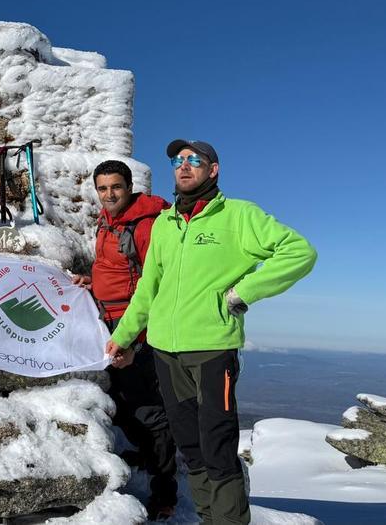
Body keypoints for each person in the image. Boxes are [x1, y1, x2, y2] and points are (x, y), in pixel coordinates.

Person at [106, 140, 316, 525]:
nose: (184, 167)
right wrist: (124, 336)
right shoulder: (167, 224)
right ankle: (209, 518)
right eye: (178, 161)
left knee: (217, 447)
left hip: (211, 351)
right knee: (190, 446)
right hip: (165, 353)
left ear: (213, 170)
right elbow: (148, 288)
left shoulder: (237, 216)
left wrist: (244, 292)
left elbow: (299, 252)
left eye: (194, 161)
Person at [73, 159, 177, 519]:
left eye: (115, 187)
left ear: (130, 187)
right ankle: (148, 457)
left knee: (148, 409)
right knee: (118, 399)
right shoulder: (108, 221)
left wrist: (135, 340)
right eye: (102, 188)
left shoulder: (147, 224)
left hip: (134, 328)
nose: (109, 194)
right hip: (108, 319)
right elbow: (116, 269)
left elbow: (156, 285)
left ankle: (165, 490)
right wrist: (93, 283)